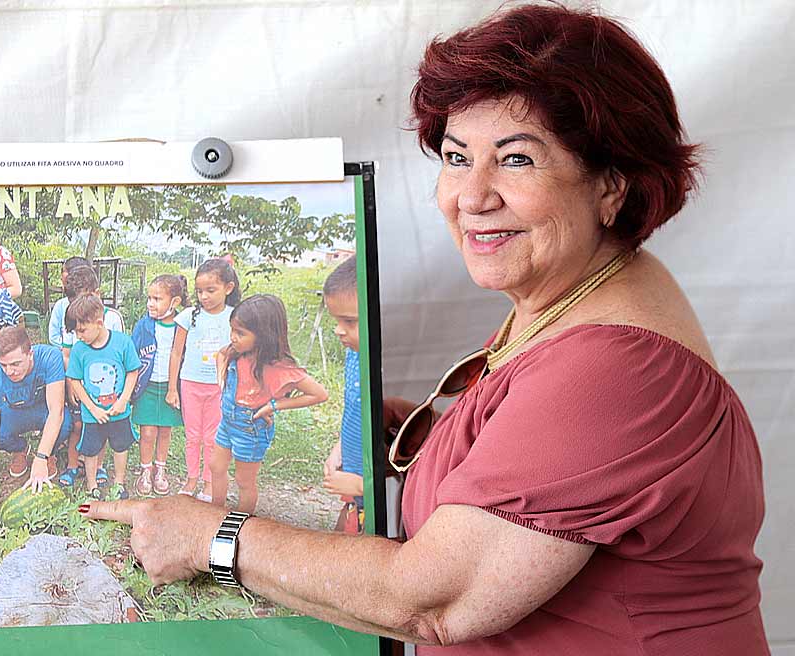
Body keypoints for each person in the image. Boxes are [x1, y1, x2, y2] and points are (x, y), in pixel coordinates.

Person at [81, 5, 768, 655]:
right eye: (457, 156)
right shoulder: (580, 296)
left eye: (518, 158)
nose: (471, 196)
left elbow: (434, 600)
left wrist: (213, 537)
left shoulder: (616, 369)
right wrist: (419, 438)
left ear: (612, 185)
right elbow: (556, 475)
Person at [209, 294, 328, 513]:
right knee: (215, 466)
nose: (233, 337)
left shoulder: (278, 367)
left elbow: (319, 394)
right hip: (227, 422)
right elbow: (221, 354)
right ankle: (215, 512)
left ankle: (241, 523)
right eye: (232, 330)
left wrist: (273, 406)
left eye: (241, 333)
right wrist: (221, 380)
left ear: (264, 335)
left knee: (244, 481)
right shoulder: (237, 352)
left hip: (251, 428)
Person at [0, 326, 77, 522]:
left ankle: (49, 455)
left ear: (30, 353)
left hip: (44, 410)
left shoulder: (49, 357)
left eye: (15, 364)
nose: (9, 371)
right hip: (17, 413)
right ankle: (20, 449)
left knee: (65, 423)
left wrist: (40, 458)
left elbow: (55, 412)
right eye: (4, 365)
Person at [166, 257, 241, 500]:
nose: (204, 297)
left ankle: (209, 483)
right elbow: (176, 352)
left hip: (219, 386)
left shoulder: (235, 316)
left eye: (211, 290)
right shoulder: (188, 316)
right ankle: (191, 479)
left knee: (212, 438)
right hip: (190, 383)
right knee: (192, 435)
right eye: (199, 291)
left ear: (228, 288)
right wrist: (172, 388)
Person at [54, 263, 125, 488]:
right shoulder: (72, 318)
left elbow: (119, 357)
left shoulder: (112, 318)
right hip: (79, 384)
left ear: (97, 293)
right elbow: (66, 354)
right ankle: (73, 465)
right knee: (77, 426)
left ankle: (99, 465)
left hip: (104, 389)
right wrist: (71, 386)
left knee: (100, 424)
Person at [66, 294, 141, 500]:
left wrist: (123, 400)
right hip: (92, 414)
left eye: (82, 330)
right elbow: (75, 380)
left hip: (119, 411)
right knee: (90, 450)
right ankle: (92, 486)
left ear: (99, 323)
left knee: (120, 446)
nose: (79, 336)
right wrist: (93, 408)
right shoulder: (79, 350)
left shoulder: (123, 343)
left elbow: (132, 372)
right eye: (75, 331)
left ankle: (119, 483)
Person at [130, 274, 188, 496]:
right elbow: (133, 354)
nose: (150, 303)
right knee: (147, 432)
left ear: (174, 302)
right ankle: (146, 470)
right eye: (149, 298)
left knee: (165, 431)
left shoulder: (182, 325)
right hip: (147, 386)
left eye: (157, 298)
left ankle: (160, 470)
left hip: (170, 387)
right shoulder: (144, 325)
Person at [319, 256, 366, 533]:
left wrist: (363, 486)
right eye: (336, 320)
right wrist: (340, 449)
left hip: (375, 499)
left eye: (349, 321)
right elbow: (353, 412)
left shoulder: (387, 372)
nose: (338, 330)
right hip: (354, 491)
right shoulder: (354, 354)